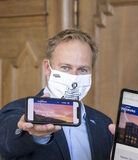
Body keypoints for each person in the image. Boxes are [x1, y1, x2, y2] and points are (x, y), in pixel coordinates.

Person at [0, 29, 113, 160]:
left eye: (83, 69)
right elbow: (8, 143)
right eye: (65, 67)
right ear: (48, 68)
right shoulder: (16, 111)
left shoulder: (103, 123)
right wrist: (36, 134)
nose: (74, 77)